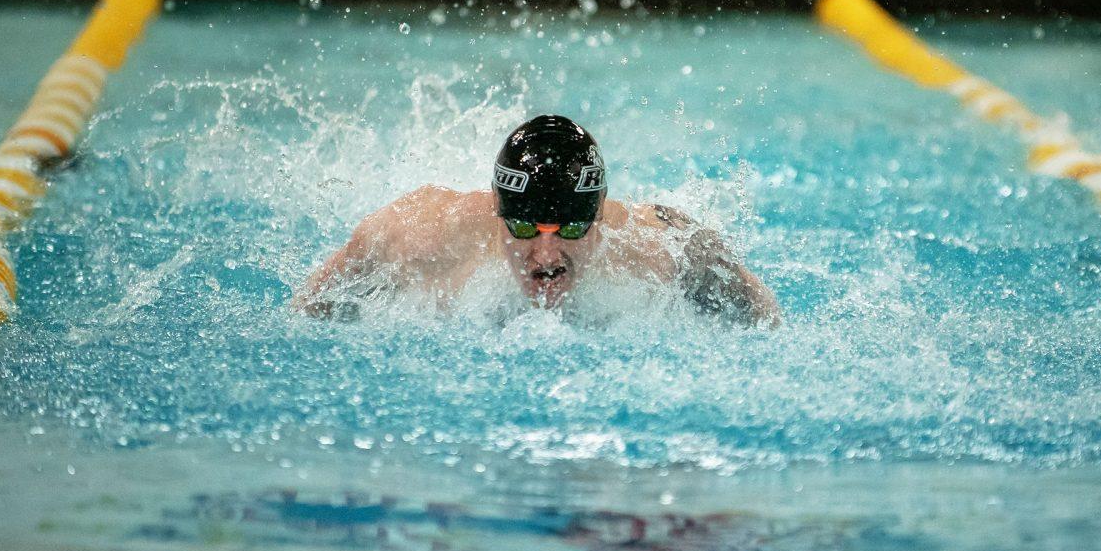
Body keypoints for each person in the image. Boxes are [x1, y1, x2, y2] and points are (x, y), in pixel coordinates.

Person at [294, 114, 780, 325]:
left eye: (570, 229)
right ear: (497, 211)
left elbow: (763, 317)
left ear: (598, 218)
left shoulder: (665, 248)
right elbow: (307, 312)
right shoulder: (417, 237)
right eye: (525, 230)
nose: (545, 256)